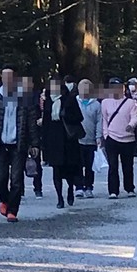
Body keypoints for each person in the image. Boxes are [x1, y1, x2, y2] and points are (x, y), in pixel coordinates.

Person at [0, 65, 38, 220]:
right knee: (0, 178)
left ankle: (13, 210)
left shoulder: (24, 98)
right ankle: (4, 200)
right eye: (4, 77)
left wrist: (34, 144)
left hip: (18, 143)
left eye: (10, 77)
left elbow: (31, 122)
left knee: (17, 179)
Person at [40, 78, 85, 208]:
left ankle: (70, 189)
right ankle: (59, 198)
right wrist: (43, 143)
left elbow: (79, 117)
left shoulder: (69, 100)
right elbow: (45, 123)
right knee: (56, 171)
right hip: (53, 140)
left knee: (70, 170)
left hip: (68, 140)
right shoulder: (48, 101)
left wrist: (66, 115)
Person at [101, 78, 137, 197]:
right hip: (112, 137)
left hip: (128, 138)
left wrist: (131, 125)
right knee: (113, 166)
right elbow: (104, 120)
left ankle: (129, 188)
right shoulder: (105, 102)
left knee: (128, 166)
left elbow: (134, 117)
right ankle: (113, 191)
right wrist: (106, 135)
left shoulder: (130, 103)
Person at [76, 79, 103, 196]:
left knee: (89, 166)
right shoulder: (74, 102)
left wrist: (98, 136)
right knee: (77, 164)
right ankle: (78, 186)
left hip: (91, 139)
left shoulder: (97, 104)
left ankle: (89, 187)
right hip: (77, 139)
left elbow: (99, 122)